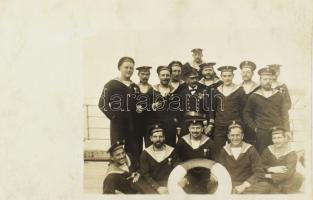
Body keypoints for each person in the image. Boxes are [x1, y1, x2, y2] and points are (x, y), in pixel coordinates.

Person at [98, 57, 140, 155]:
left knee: (132, 152)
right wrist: (114, 116)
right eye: (126, 67)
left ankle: (131, 170)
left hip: (132, 125)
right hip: (117, 124)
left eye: (131, 68)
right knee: (117, 150)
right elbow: (102, 104)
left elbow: (138, 105)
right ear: (120, 68)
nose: (129, 70)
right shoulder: (111, 84)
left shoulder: (135, 87)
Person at [244, 67, 290, 154]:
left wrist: (287, 130)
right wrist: (254, 127)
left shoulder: (278, 95)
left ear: (272, 80)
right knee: (262, 154)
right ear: (260, 80)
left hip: (277, 131)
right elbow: (246, 113)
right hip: (262, 132)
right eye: (265, 79)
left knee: (278, 154)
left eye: (270, 79)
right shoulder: (254, 96)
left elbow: (284, 114)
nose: (267, 81)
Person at [217, 121, 271, 194]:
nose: (235, 138)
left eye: (238, 135)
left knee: (265, 186)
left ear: (242, 136)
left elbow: (259, 172)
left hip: (247, 183)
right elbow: (220, 171)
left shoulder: (250, 149)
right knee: (212, 186)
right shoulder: (224, 150)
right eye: (232, 135)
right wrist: (228, 185)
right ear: (228, 136)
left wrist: (244, 185)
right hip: (231, 183)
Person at [175, 112, 217, 193]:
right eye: (193, 128)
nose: (195, 131)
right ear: (189, 129)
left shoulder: (209, 142)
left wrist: (213, 175)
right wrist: (180, 176)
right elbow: (176, 160)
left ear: (202, 129)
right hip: (187, 176)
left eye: (198, 128)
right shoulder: (182, 142)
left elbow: (215, 160)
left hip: (205, 177)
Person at [211, 66, 247, 153]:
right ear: (221, 77)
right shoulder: (216, 91)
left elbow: (244, 108)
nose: (227, 78)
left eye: (229, 76)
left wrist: (240, 123)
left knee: (235, 148)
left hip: (234, 124)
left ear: (233, 76)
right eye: (225, 76)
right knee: (218, 149)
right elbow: (213, 108)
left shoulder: (239, 90)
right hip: (220, 125)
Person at [261, 126, 303, 193]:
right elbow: (260, 165)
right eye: (274, 138)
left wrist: (268, 175)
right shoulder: (267, 150)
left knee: (298, 177)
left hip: (285, 180)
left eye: (279, 138)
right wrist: (270, 168)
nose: (276, 141)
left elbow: (288, 173)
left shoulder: (291, 153)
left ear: (284, 138)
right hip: (268, 180)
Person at [140, 125, 180, 194]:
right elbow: (145, 174)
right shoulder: (145, 153)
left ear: (164, 138)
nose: (158, 139)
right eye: (155, 137)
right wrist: (157, 187)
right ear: (151, 138)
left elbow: (177, 169)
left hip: (169, 183)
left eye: (160, 136)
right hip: (152, 185)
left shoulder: (172, 151)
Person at [174, 69, 214, 137]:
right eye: (192, 78)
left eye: (196, 78)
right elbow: (178, 111)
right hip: (186, 122)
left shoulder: (204, 91)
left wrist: (210, 124)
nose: (195, 80)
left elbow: (210, 109)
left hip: (201, 121)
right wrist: (178, 125)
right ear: (186, 80)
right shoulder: (182, 92)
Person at [148, 66, 178, 147]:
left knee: (170, 148)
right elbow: (146, 106)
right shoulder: (152, 90)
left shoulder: (175, 91)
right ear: (159, 76)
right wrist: (152, 106)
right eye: (163, 75)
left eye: (167, 75)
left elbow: (178, 109)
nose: (165, 78)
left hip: (170, 126)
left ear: (170, 76)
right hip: (155, 125)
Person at [132, 66, 154, 160]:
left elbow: (155, 105)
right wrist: (135, 107)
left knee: (149, 145)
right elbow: (129, 103)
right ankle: (137, 168)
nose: (145, 76)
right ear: (138, 75)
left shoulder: (152, 89)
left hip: (149, 122)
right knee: (136, 146)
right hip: (136, 122)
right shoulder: (133, 88)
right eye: (142, 74)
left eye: (147, 74)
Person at [239, 60, 260, 145]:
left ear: (252, 73)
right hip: (241, 120)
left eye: (248, 72)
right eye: (243, 72)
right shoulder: (238, 88)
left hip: (254, 120)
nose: (245, 74)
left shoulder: (258, 88)